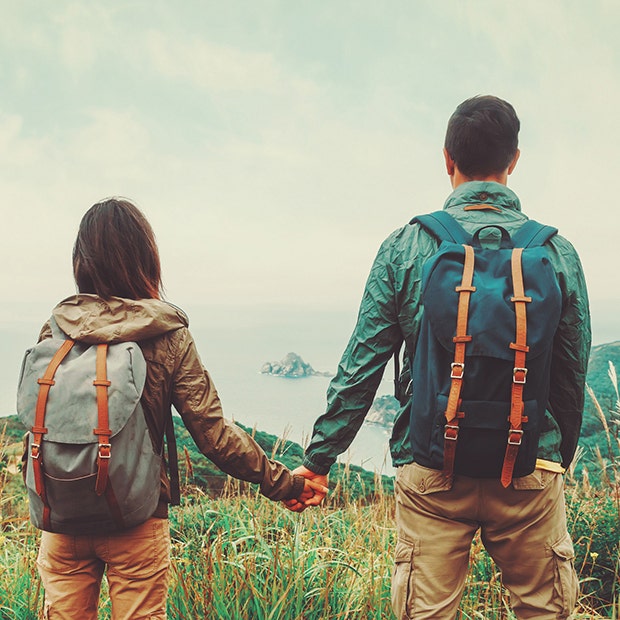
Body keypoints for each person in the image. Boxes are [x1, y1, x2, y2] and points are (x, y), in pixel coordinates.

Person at [286, 96, 591, 619]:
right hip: (527, 470)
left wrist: (319, 461)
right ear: (514, 159)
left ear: (447, 158)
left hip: (432, 469)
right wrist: (548, 457)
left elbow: (362, 365)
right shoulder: (555, 252)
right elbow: (571, 371)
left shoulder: (406, 246)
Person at [30, 198, 326, 619]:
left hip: (61, 516)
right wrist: (285, 484)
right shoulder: (166, 334)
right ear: (146, 259)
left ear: (81, 260)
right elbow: (214, 435)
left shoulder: (56, 328)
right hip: (137, 517)